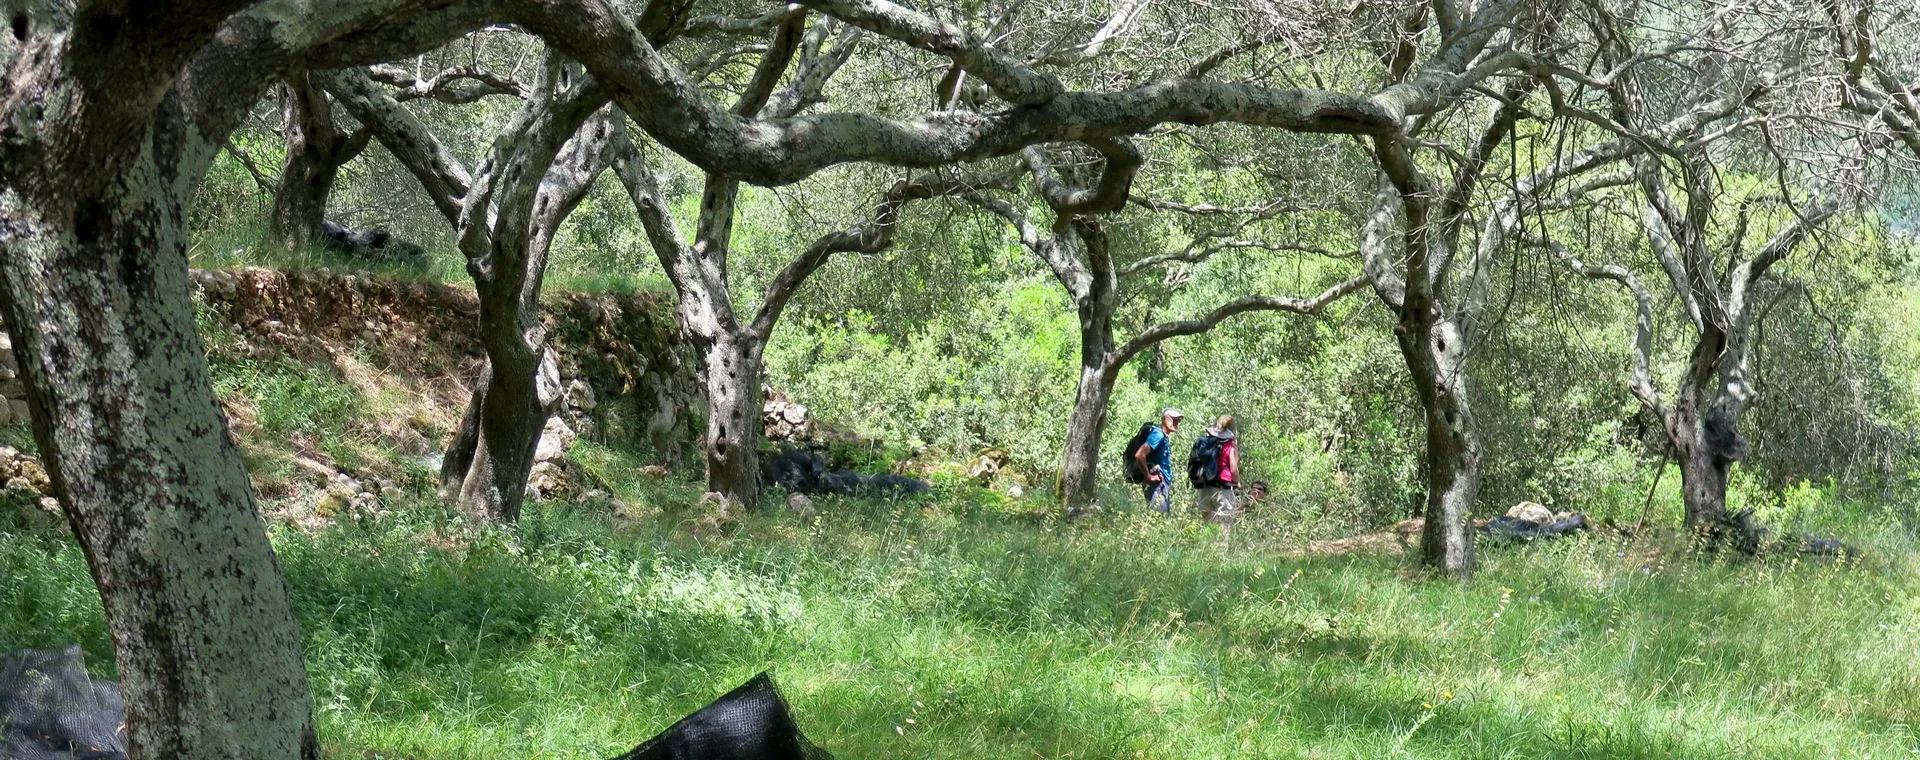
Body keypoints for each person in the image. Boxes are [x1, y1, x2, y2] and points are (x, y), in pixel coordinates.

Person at [1133, 407, 1182, 513]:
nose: (1177, 423)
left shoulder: (1163, 436)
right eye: (1174, 420)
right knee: (1159, 518)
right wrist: (1148, 476)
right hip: (1157, 484)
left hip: (1161, 484)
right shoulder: (1158, 435)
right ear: (1166, 419)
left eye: (1178, 420)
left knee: (1160, 518)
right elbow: (1140, 455)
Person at [1195, 415, 1241, 523]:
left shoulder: (1207, 442)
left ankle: (1206, 540)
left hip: (1205, 486)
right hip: (1223, 487)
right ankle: (1223, 541)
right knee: (1225, 522)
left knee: (1207, 522)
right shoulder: (1230, 444)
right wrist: (1237, 483)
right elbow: (1234, 469)